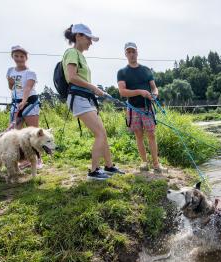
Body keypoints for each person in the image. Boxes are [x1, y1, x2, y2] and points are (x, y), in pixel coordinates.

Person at [62, 24, 124, 181]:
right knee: (100, 133)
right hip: (79, 99)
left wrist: (93, 90)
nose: (91, 42)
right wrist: (94, 87)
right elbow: (72, 77)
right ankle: (94, 171)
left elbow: (80, 79)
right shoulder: (71, 53)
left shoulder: (80, 55)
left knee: (102, 133)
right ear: (78, 36)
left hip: (86, 98)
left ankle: (109, 167)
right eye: (89, 38)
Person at [117, 42, 167, 173]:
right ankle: (144, 163)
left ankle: (156, 164)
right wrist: (140, 92)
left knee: (151, 134)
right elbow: (122, 92)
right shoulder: (122, 72)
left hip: (147, 108)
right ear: (125, 54)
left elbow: (154, 87)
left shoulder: (146, 70)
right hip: (133, 108)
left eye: (133, 51)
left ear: (137, 52)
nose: (131, 54)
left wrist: (155, 94)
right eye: (129, 52)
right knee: (138, 135)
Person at [6, 45, 42, 169]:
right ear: (12, 56)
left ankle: (37, 159)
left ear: (26, 58)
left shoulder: (30, 72)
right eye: (16, 56)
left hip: (30, 102)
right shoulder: (10, 70)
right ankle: (22, 159)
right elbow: (11, 87)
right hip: (16, 102)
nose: (19, 58)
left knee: (34, 132)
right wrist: (10, 82)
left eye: (22, 56)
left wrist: (24, 101)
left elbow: (28, 88)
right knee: (14, 133)